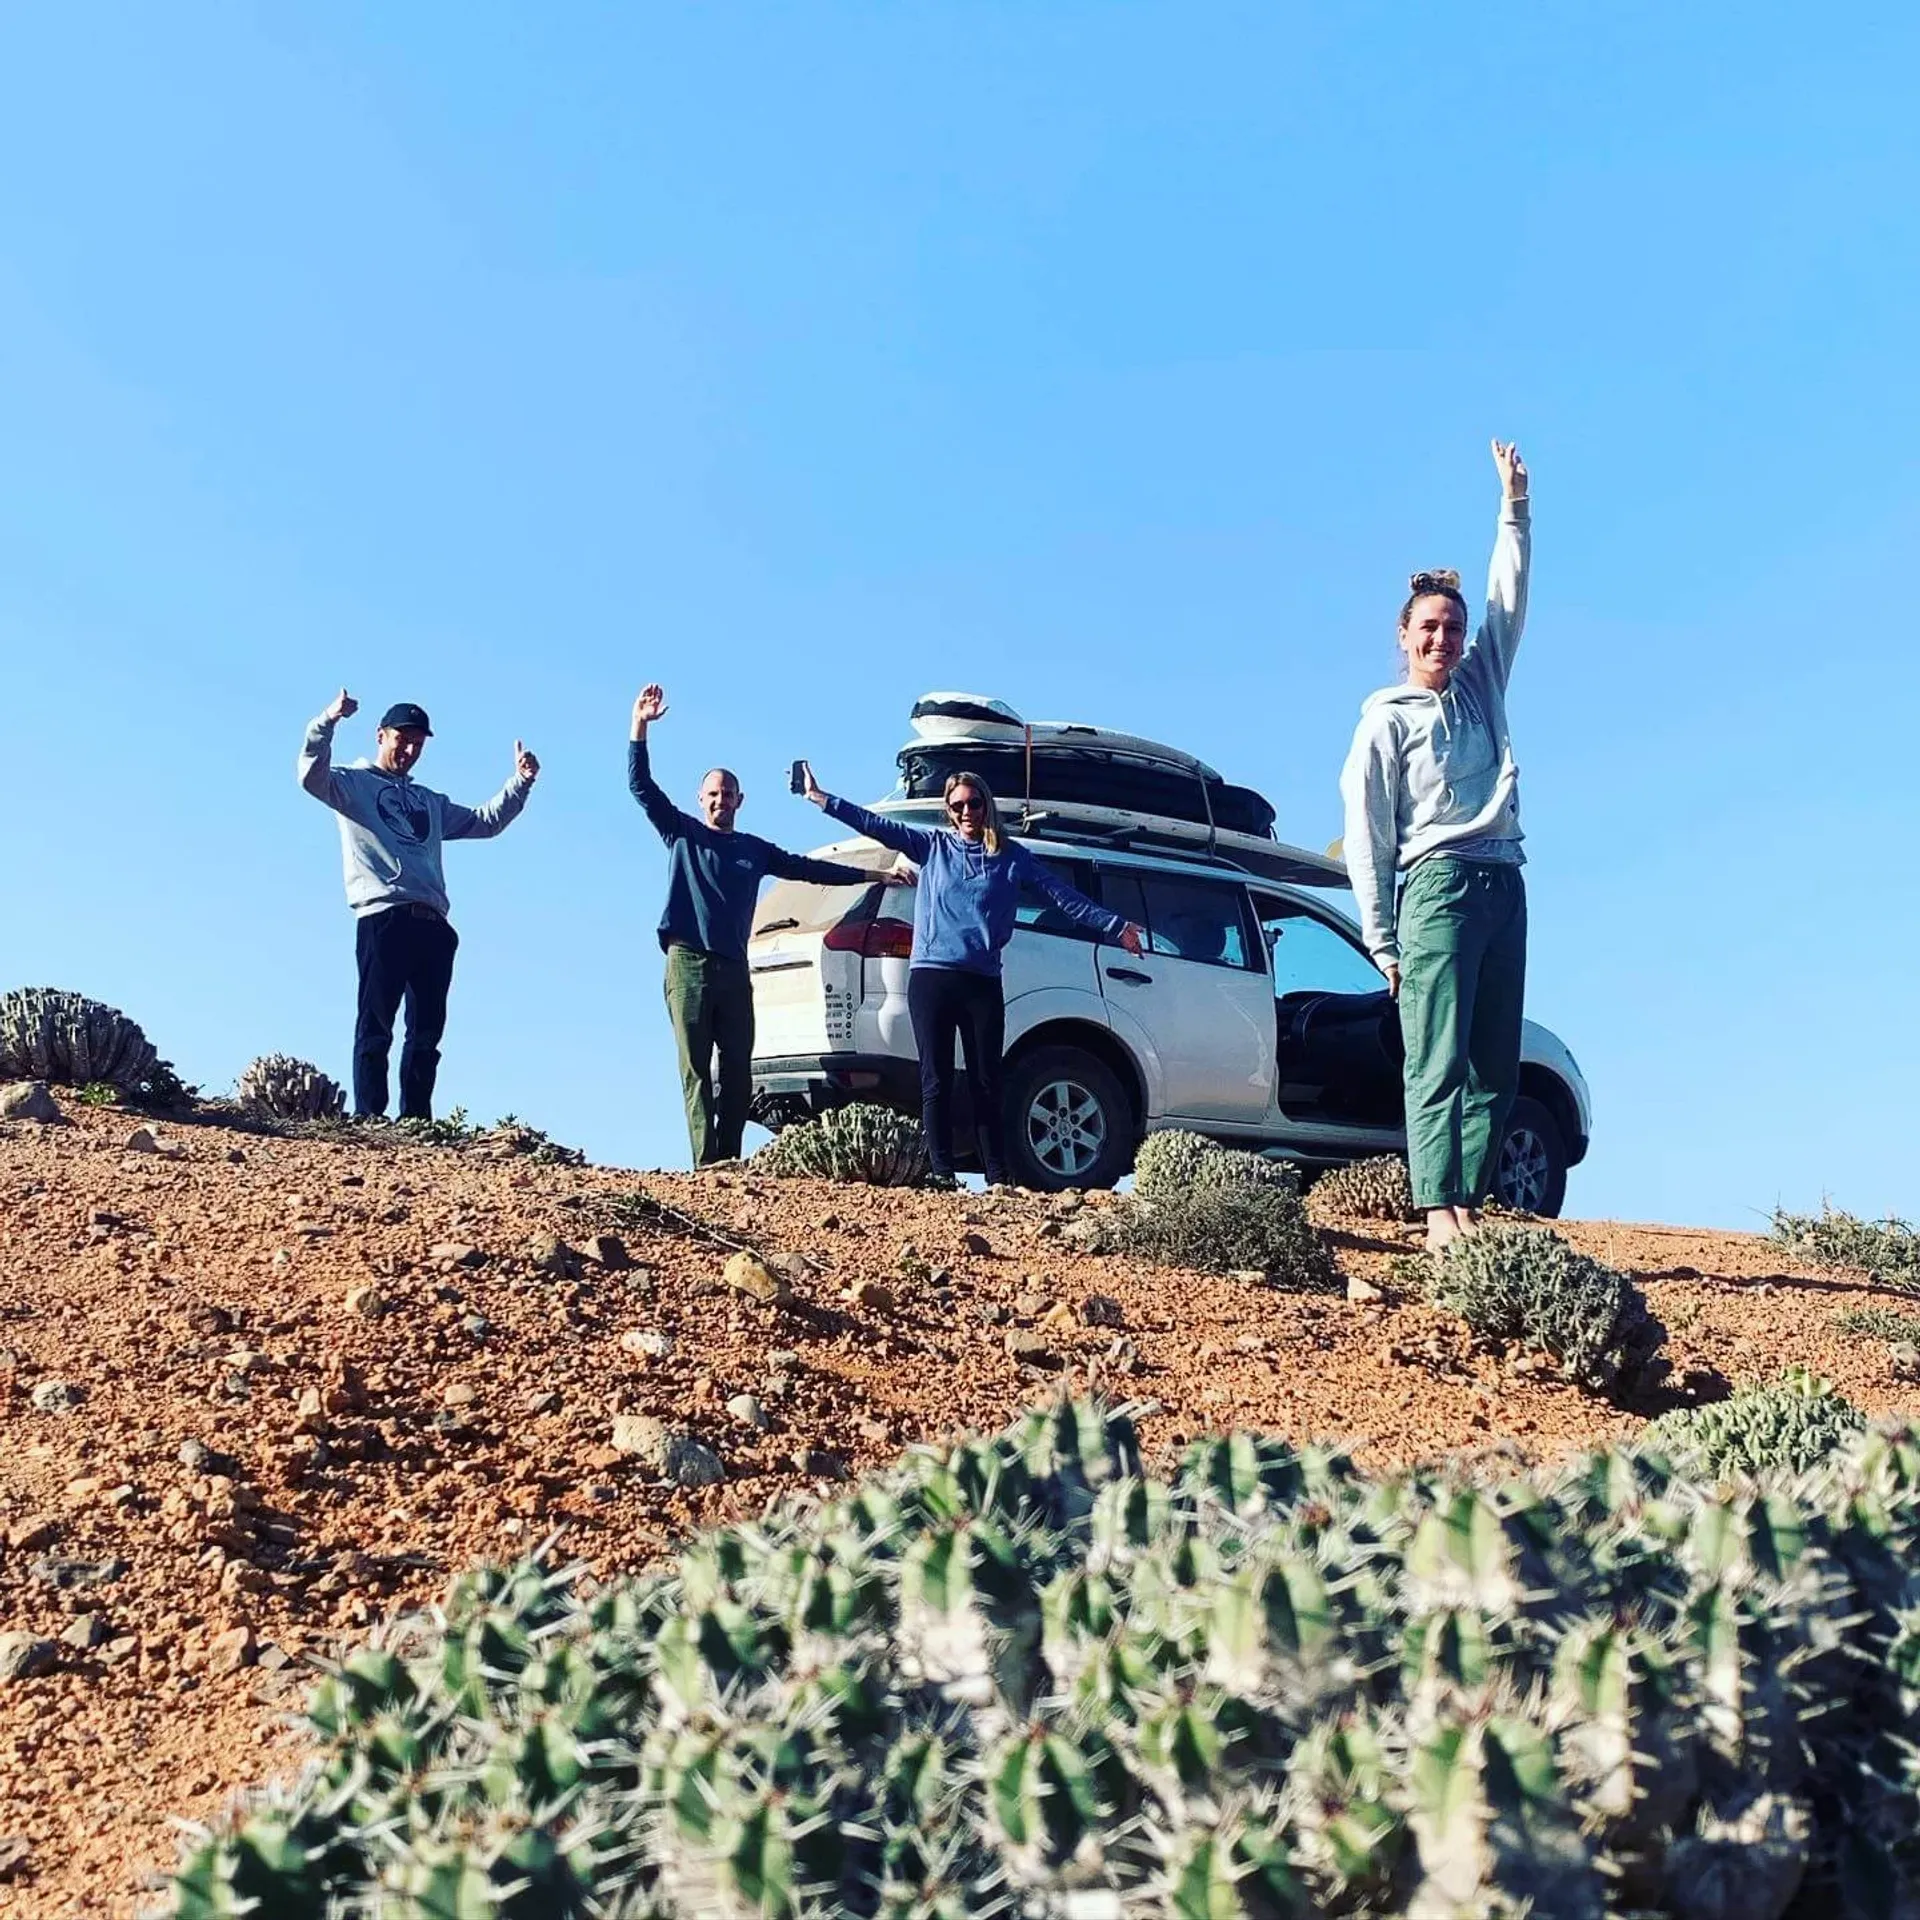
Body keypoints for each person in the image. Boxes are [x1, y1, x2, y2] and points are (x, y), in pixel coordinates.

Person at [1340, 438, 1532, 1252]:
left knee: (1496, 1059)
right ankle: (1437, 1208)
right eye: (1429, 628)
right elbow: (1368, 834)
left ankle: (1473, 1203)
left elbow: (1508, 598)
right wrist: (1381, 941)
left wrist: (1514, 507)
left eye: (1451, 628)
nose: (1443, 640)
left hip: (1504, 880)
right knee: (1439, 1055)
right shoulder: (1386, 720)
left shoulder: (1482, 682)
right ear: (1403, 634)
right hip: (1437, 886)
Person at [799, 762, 1144, 1187]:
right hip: (932, 978)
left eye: (973, 803)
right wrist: (822, 799)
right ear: (948, 810)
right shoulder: (932, 846)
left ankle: (997, 1177)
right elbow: (876, 825)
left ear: (986, 806)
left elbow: (1063, 897)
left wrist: (1117, 927)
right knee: (936, 1079)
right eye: (957, 805)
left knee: (986, 1081)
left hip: (981, 981)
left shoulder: (1011, 857)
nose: (966, 812)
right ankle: (942, 1173)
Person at [629, 685, 904, 1167]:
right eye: (713, 794)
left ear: (740, 800)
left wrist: (874, 874)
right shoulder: (682, 833)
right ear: (700, 799)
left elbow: (810, 868)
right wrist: (640, 726)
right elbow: (641, 787)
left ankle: (728, 1162)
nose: (721, 801)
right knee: (696, 1070)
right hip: (688, 962)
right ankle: (704, 1162)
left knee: (738, 1069)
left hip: (735, 967)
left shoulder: (753, 849)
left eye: (728, 794)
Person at [298, 690, 538, 1120]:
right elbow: (310, 775)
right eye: (402, 740)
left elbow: (484, 822)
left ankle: (416, 1123)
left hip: (433, 923)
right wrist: (328, 719)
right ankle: (371, 1117)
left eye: (418, 744)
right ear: (380, 735)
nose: (409, 750)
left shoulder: (429, 800)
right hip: (383, 916)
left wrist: (519, 783)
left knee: (426, 1034)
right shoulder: (354, 784)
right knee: (376, 1026)